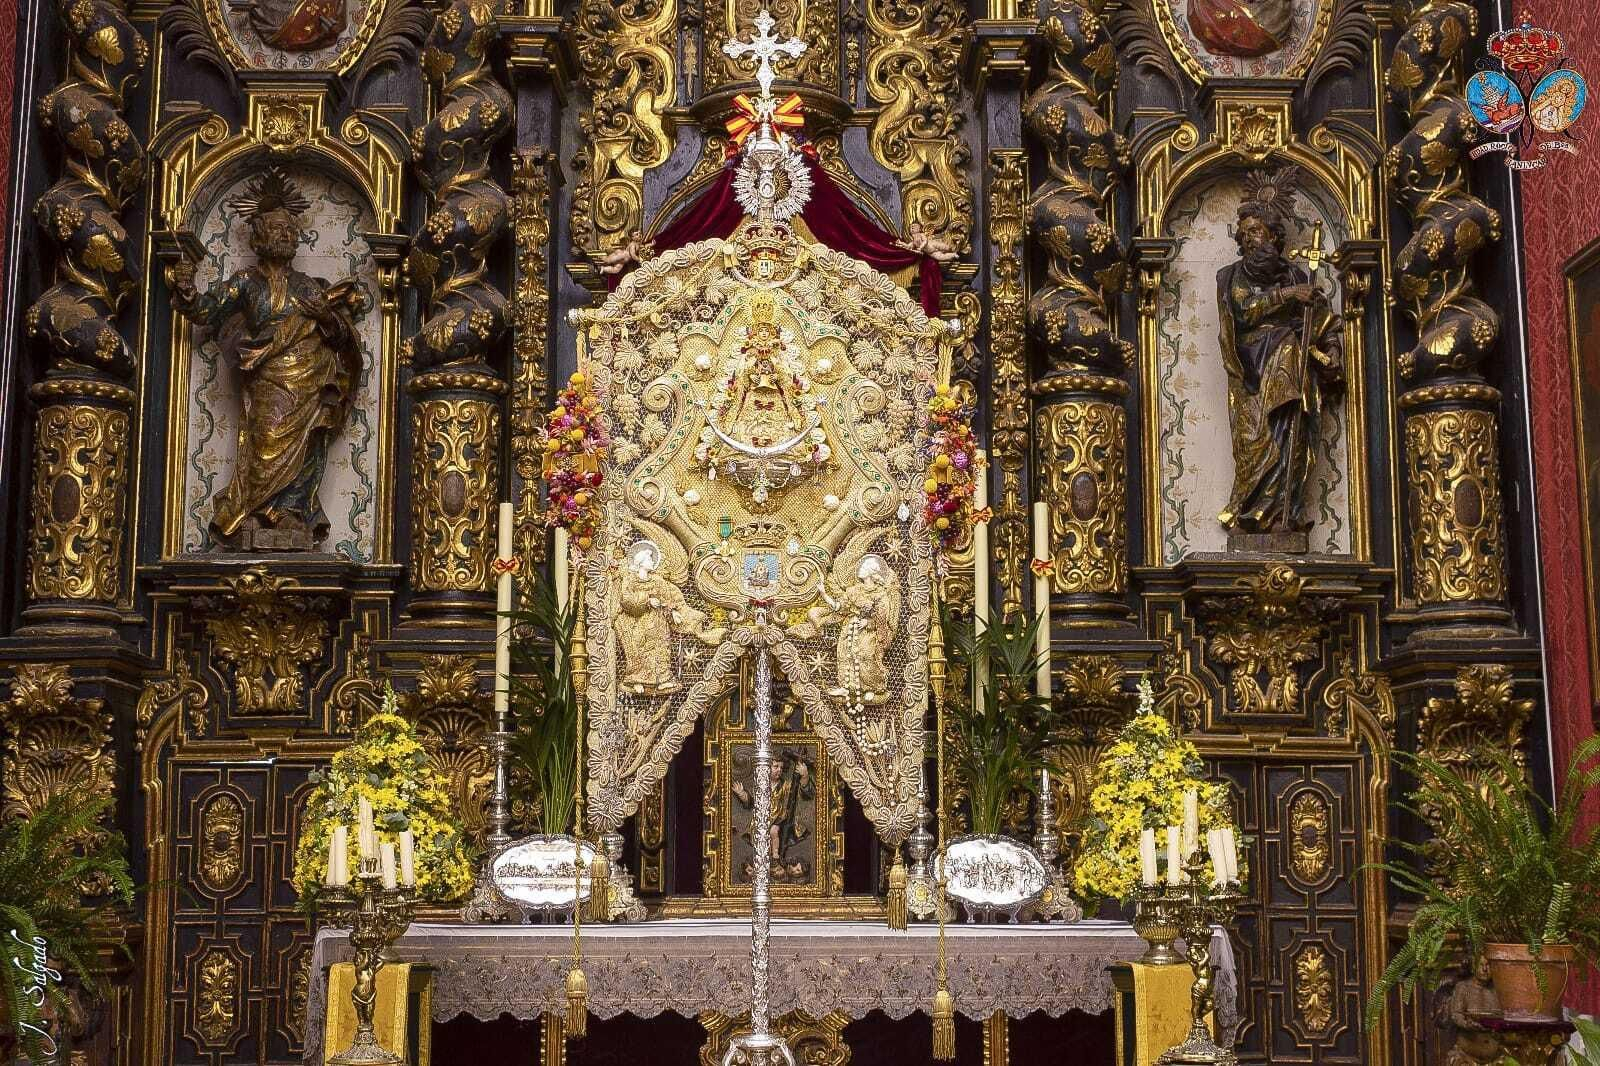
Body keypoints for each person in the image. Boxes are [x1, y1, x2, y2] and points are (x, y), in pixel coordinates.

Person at [171, 169, 369, 552]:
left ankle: (292, 513)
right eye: (277, 229)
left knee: (309, 445)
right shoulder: (245, 282)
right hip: (268, 378)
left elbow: (344, 337)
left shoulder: (311, 287)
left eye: (291, 230)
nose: (286, 235)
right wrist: (185, 291)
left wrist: (326, 317)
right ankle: (255, 513)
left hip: (311, 380)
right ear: (259, 236)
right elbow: (207, 311)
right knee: (264, 443)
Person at [1215, 169, 1343, 545]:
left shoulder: (1295, 275)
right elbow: (1244, 312)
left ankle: (1284, 514)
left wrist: (1330, 353)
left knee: (1290, 438)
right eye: (1245, 232)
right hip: (1252, 376)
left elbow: (1323, 324)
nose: (1249, 238)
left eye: (1257, 231)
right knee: (1255, 447)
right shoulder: (1231, 276)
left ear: (1274, 237)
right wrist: (1287, 298)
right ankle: (1251, 513)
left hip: (1291, 383)